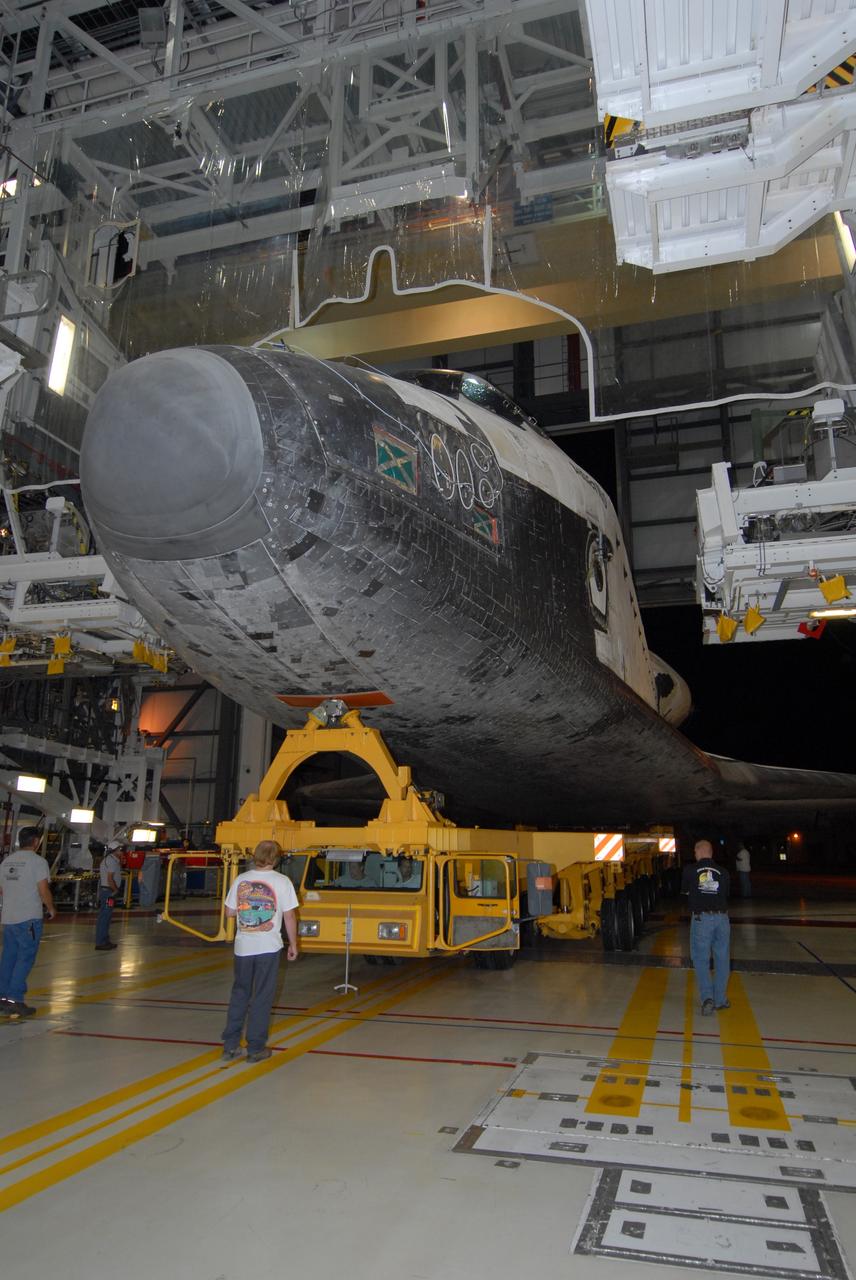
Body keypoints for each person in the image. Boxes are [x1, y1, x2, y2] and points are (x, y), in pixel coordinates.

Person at [220, 839, 299, 1066]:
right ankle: (255, 1048)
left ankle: (230, 1045)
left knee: (240, 994)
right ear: (276, 858)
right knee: (262, 996)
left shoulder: (241, 880)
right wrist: (293, 944)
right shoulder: (282, 882)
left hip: (243, 947)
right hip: (268, 948)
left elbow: (229, 912)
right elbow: (289, 916)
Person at [0, 826, 56, 1016]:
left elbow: (2, 889)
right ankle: (15, 999)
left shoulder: (7, 861)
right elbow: (43, 889)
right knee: (25, 958)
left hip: (9, 918)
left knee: (8, 958)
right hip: (28, 919)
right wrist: (51, 908)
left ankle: (2, 997)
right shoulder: (38, 862)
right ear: (36, 842)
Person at [681, 838, 731, 1016]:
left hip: (702, 919)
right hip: (722, 919)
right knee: (722, 959)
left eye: (695, 852)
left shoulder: (690, 870)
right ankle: (720, 999)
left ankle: (707, 999)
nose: (694, 855)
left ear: (700, 851)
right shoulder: (723, 871)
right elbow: (726, 893)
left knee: (701, 959)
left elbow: (685, 892)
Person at [95, 843, 123, 950]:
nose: (121, 851)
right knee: (105, 916)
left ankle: (104, 940)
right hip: (109, 893)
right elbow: (110, 879)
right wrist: (115, 890)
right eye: (120, 849)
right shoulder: (111, 861)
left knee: (106, 916)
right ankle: (101, 942)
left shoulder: (111, 860)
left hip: (108, 892)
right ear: (115, 850)